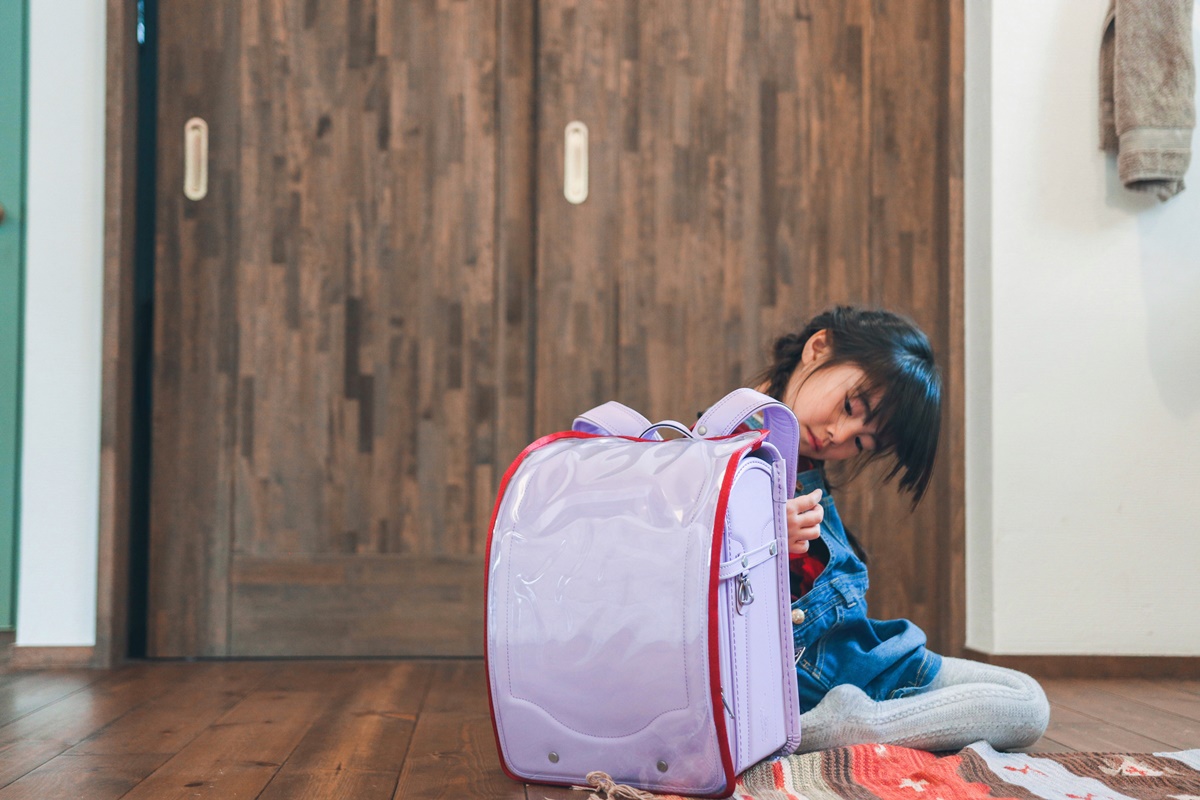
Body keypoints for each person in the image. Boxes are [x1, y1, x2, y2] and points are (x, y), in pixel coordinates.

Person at [744, 305, 1049, 752]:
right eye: (850, 405)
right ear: (818, 347)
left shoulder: (799, 454)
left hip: (859, 658)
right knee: (1026, 710)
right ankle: (836, 730)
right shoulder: (728, 444)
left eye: (863, 442)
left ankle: (857, 723)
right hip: (812, 671)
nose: (839, 434)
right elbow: (691, 570)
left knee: (1027, 699)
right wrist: (760, 533)